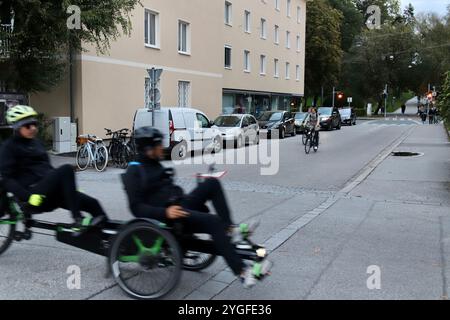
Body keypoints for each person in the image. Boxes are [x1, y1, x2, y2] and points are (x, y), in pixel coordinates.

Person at [122, 127, 268, 288]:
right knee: (212, 222)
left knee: (212, 183)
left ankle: (230, 230)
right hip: (169, 217)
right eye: (158, 145)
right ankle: (242, 272)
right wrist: (165, 212)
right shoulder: (134, 171)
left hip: (179, 203)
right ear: (148, 148)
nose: (162, 147)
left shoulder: (155, 164)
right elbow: (136, 208)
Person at [0, 105, 108, 229]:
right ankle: (77, 219)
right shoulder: (9, 147)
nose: (33, 128)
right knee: (66, 169)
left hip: (50, 192)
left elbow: (48, 169)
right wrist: (27, 197)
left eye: (35, 124)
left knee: (94, 204)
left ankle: (113, 242)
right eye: (28, 126)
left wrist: (69, 188)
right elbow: (7, 180)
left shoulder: (36, 143)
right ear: (17, 127)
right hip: (33, 195)